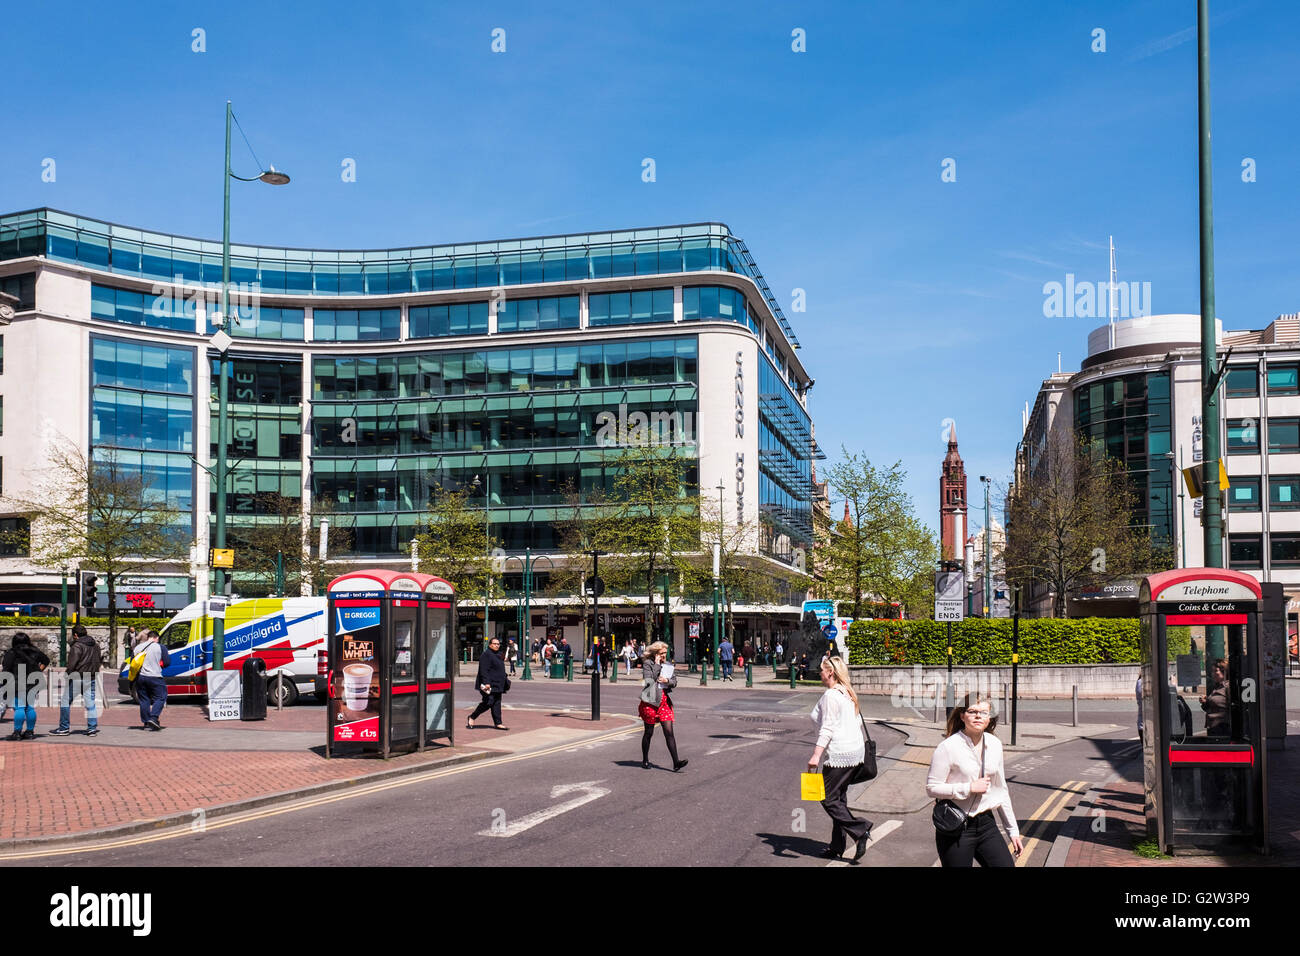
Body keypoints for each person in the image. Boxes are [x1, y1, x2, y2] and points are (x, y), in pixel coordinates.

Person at [926, 693, 1023, 867]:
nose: (978, 716)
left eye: (984, 712)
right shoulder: (948, 747)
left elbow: (1001, 790)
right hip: (956, 826)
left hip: (986, 824)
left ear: (989, 718)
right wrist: (968, 787)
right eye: (972, 711)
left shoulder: (994, 744)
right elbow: (931, 788)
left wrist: (1013, 830)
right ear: (962, 716)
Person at [807, 655, 872, 862]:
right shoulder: (847, 693)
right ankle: (837, 846)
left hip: (839, 754)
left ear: (830, 673)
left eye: (822, 670)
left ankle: (860, 829)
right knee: (839, 800)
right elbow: (857, 724)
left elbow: (828, 728)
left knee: (827, 798)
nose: (820, 673)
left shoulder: (831, 696)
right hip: (855, 753)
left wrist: (816, 755)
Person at [639, 641, 687, 771]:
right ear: (655, 654)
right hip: (651, 701)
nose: (664, 655)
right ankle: (645, 760)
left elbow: (675, 681)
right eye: (662, 653)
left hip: (664, 702)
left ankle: (676, 762)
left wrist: (668, 681)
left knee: (669, 733)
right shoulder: (648, 664)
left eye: (665, 653)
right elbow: (649, 681)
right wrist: (657, 664)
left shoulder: (668, 665)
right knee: (649, 733)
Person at [53, 624, 101, 736]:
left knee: (65, 701)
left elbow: (72, 664)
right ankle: (92, 728)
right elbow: (99, 660)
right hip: (91, 676)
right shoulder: (96, 645)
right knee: (90, 704)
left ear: (75, 635)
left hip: (77, 677)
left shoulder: (77, 646)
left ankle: (64, 727)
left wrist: (67, 674)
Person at [3, 634, 50, 741]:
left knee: (19, 707)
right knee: (29, 707)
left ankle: (17, 733)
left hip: (16, 683)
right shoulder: (34, 651)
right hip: (33, 682)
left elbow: (6, 668)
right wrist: (38, 670)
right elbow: (46, 660)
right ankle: (29, 732)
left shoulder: (11, 652)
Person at [467, 635, 509, 730]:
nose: (497, 645)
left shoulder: (498, 654)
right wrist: (486, 682)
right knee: (488, 702)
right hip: (488, 684)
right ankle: (472, 717)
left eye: (498, 644)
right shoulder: (486, 655)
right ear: (490, 645)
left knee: (497, 703)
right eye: (494, 644)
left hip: (498, 683)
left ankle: (498, 723)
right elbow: (484, 670)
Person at [133, 629, 170, 731]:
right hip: (155, 676)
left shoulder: (138, 647)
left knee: (144, 699)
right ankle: (153, 718)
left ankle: (146, 722)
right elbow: (167, 662)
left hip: (141, 677)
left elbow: (133, 662)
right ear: (156, 638)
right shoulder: (160, 647)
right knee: (161, 697)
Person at [1200, 658, 1230, 737]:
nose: (1213, 674)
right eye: (1212, 671)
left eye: (1216, 671)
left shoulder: (1228, 687)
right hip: (1213, 726)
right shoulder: (1217, 687)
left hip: (1222, 727)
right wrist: (1205, 702)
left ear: (1224, 671)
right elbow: (1212, 708)